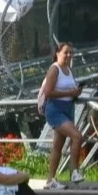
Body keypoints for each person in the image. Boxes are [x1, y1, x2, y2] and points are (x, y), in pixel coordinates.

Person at [37, 42, 86, 185]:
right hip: (55, 110)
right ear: (58, 53)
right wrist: (70, 92)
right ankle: (75, 172)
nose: (69, 55)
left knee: (58, 146)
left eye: (71, 52)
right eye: (66, 52)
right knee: (77, 136)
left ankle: (50, 180)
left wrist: (76, 92)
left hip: (68, 108)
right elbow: (48, 92)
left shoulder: (68, 70)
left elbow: (68, 89)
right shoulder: (54, 69)